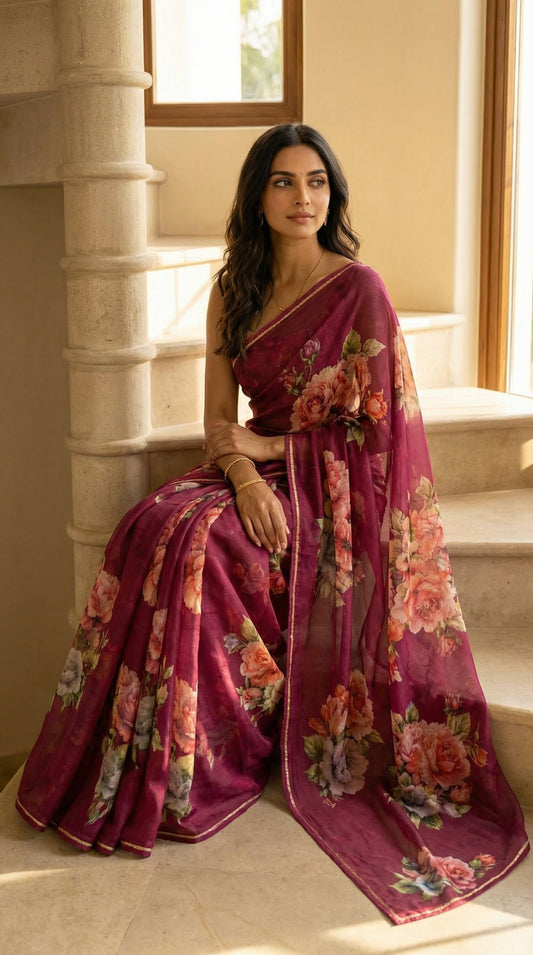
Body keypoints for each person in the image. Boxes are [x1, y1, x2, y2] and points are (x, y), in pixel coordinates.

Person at [16, 124, 528, 924]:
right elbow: (218, 424)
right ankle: (145, 752)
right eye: (284, 182)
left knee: (207, 550)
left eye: (317, 181)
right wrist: (248, 472)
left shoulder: (357, 288)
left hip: (338, 487)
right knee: (153, 522)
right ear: (258, 196)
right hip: (260, 472)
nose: (303, 198)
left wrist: (270, 447)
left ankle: (209, 758)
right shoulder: (235, 288)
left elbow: (380, 437)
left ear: (333, 194)